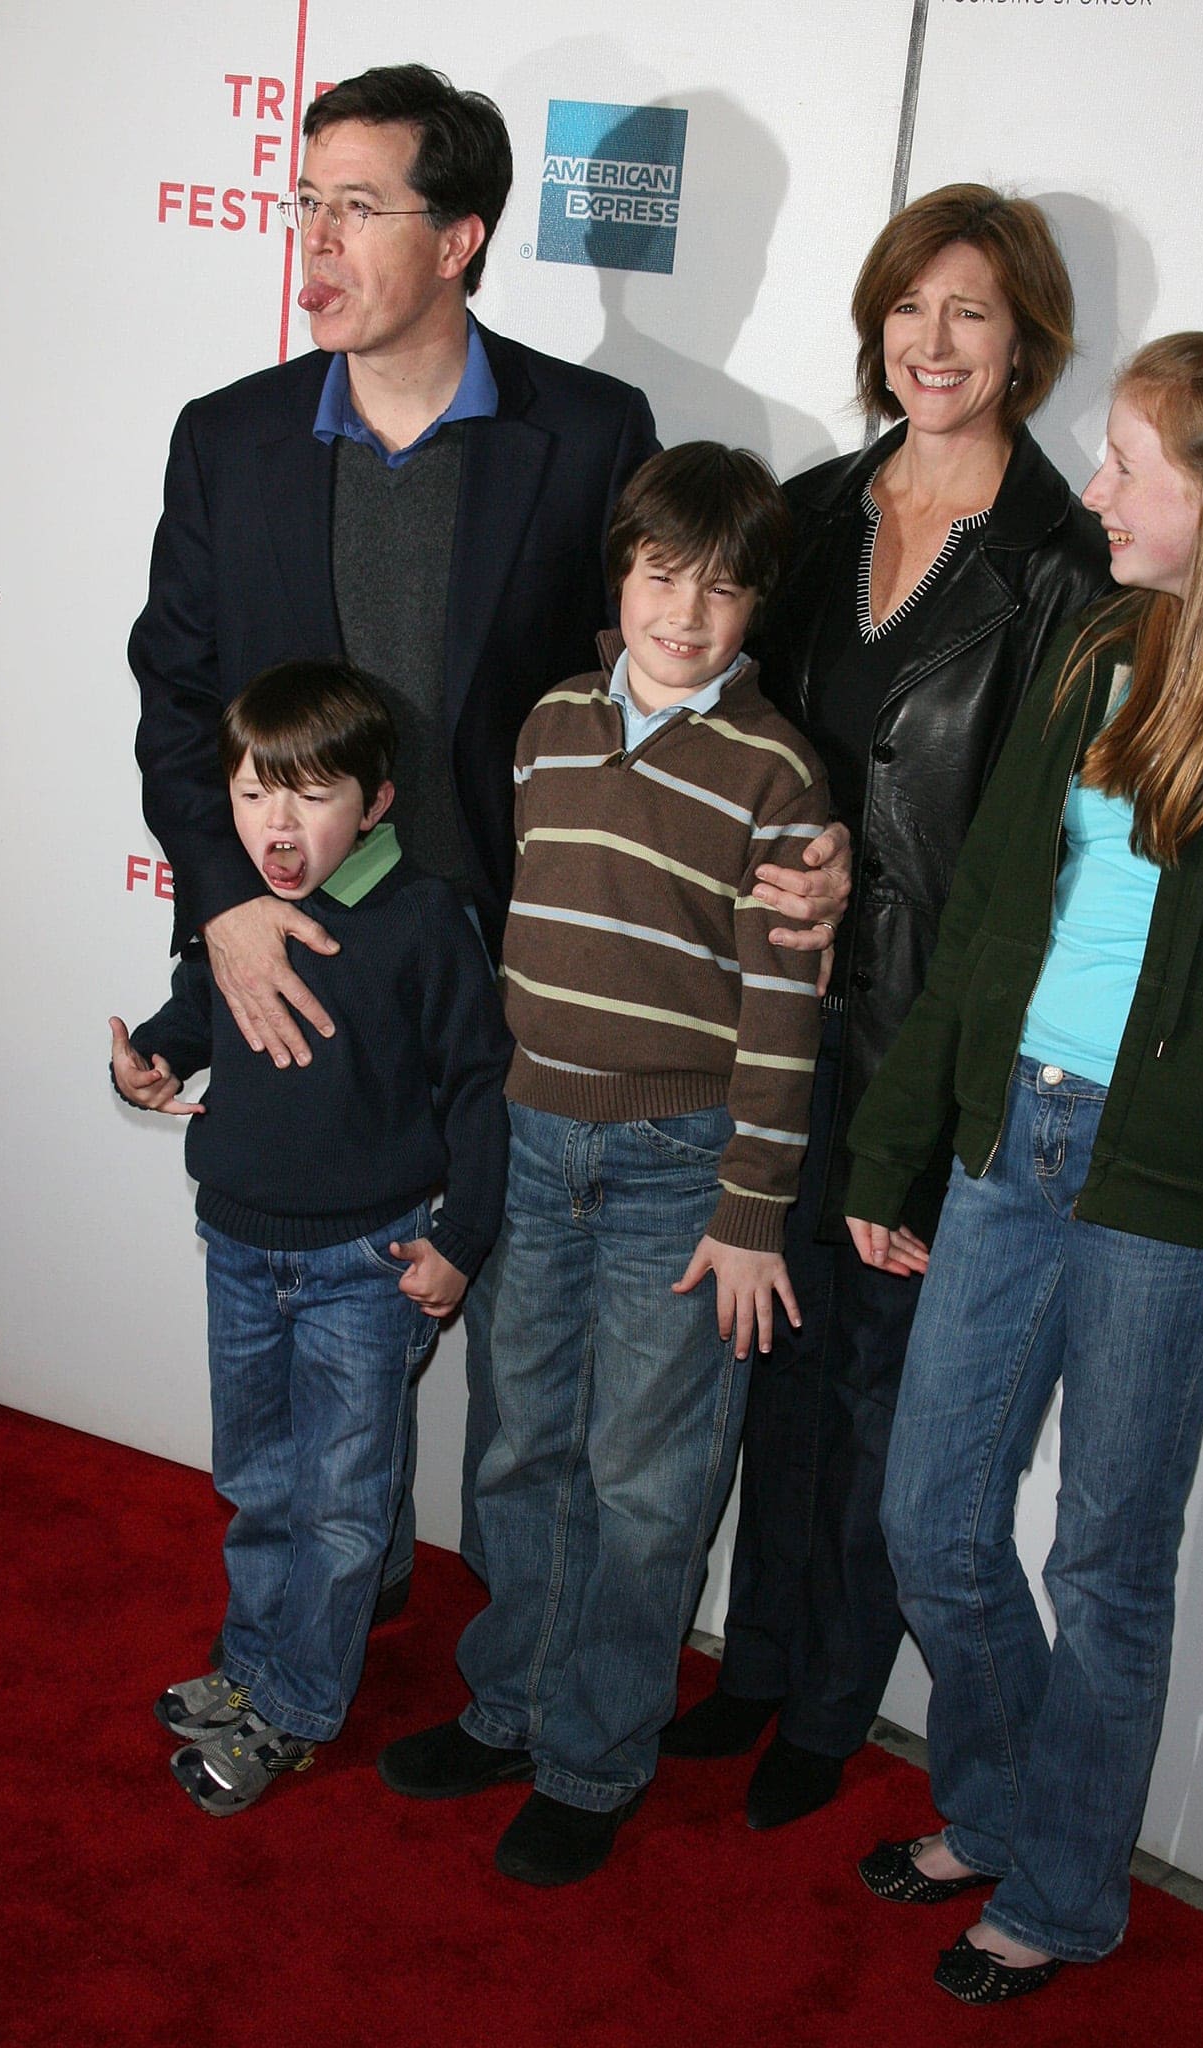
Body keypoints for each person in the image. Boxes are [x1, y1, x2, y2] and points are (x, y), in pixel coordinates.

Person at [844, 333, 1203, 1999]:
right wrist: (895, 1143)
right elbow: (989, 916)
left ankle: (1062, 1889)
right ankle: (996, 1800)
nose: (1094, 490)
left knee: (1104, 1563)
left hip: (1181, 1205)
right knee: (931, 1516)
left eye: (1131, 466)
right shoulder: (1093, 650)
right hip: (1015, 1143)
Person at [128, 62, 660, 1596]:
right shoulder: (228, 440)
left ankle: (514, 1682)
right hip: (299, 974)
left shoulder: (589, 429)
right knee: (310, 1383)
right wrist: (224, 899)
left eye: (358, 207)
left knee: (529, 1389)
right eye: (306, 202)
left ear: (461, 236)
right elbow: (176, 701)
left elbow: (642, 692)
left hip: (521, 982)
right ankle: (309, 1633)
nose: (316, 240)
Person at [661, 185, 1110, 1828]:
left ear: (1025, 343)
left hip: (928, 1039)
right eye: (909, 306)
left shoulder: (1066, 565)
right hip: (767, 1017)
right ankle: (757, 1662)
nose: (931, 341)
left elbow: (1050, 856)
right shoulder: (800, 517)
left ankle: (831, 1701)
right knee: (765, 1357)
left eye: (971, 313)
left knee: (875, 1385)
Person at [376, 444, 831, 1886]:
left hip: (677, 1177)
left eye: (719, 590)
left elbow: (781, 1012)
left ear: (756, 606)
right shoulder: (548, 728)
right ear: (617, 575)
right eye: (657, 577)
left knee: (645, 1480)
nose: (683, 615)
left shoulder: (776, 775)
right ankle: (505, 1705)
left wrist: (751, 1210)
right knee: (517, 1445)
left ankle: (591, 1756)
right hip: (529, 1138)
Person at [111, 662, 512, 1813]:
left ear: (376, 801)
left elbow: (479, 1088)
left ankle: (291, 1708)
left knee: (341, 1502)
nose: (275, 825)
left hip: (366, 1266)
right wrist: (145, 1054)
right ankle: (250, 1668)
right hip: (236, 1245)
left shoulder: (426, 918)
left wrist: (464, 1239)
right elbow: (195, 1015)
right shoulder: (237, 909)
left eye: (309, 795)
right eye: (250, 795)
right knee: (258, 1480)